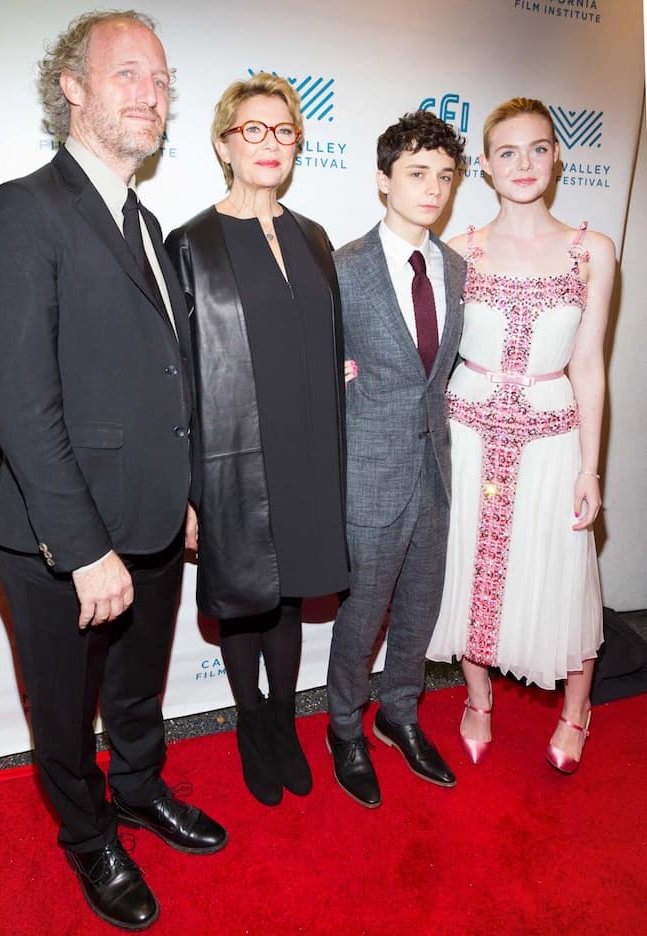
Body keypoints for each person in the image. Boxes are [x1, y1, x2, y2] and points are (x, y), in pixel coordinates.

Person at [0, 11, 226, 931]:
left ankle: (144, 789)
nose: (150, 96)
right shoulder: (23, 209)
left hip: (152, 525)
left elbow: (164, 380)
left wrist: (187, 495)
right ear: (71, 87)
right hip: (59, 547)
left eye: (160, 81)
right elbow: (22, 404)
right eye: (126, 75)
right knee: (67, 718)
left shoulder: (148, 225)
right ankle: (87, 837)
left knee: (137, 691)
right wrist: (82, 551)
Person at [164, 74, 349, 806]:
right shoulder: (191, 243)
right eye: (254, 130)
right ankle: (251, 722)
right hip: (231, 455)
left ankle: (284, 720)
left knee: (293, 594)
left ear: (297, 146)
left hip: (308, 449)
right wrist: (186, 491)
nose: (270, 143)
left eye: (284, 131)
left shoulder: (314, 236)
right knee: (244, 596)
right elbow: (176, 378)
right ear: (224, 144)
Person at [427, 97, 615, 775]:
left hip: (553, 437)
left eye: (538, 148)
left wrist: (590, 470)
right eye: (507, 152)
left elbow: (590, 365)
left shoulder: (591, 250)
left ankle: (577, 709)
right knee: (467, 566)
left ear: (558, 157)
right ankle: (477, 700)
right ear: (485, 165)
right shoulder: (458, 249)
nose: (524, 164)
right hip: (468, 433)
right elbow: (436, 356)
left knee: (563, 572)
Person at [325, 112, 467, 808]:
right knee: (361, 616)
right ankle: (344, 728)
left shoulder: (458, 268)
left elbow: (436, 375)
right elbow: (320, 374)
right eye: (417, 173)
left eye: (444, 175)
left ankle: (399, 715)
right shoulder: (345, 268)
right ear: (383, 181)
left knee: (418, 609)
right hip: (368, 476)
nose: (432, 188)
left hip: (436, 470)